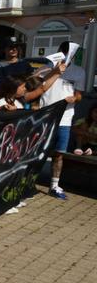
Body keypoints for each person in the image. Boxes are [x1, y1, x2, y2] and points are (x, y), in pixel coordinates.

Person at [40, 41, 85, 200]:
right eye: (64, 51)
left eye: (70, 53)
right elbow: (38, 86)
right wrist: (54, 70)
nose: (67, 55)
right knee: (39, 151)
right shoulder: (46, 67)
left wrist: (74, 98)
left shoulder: (79, 72)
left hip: (64, 118)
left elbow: (79, 95)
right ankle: (28, 182)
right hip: (45, 117)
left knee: (59, 154)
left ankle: (54, 185)